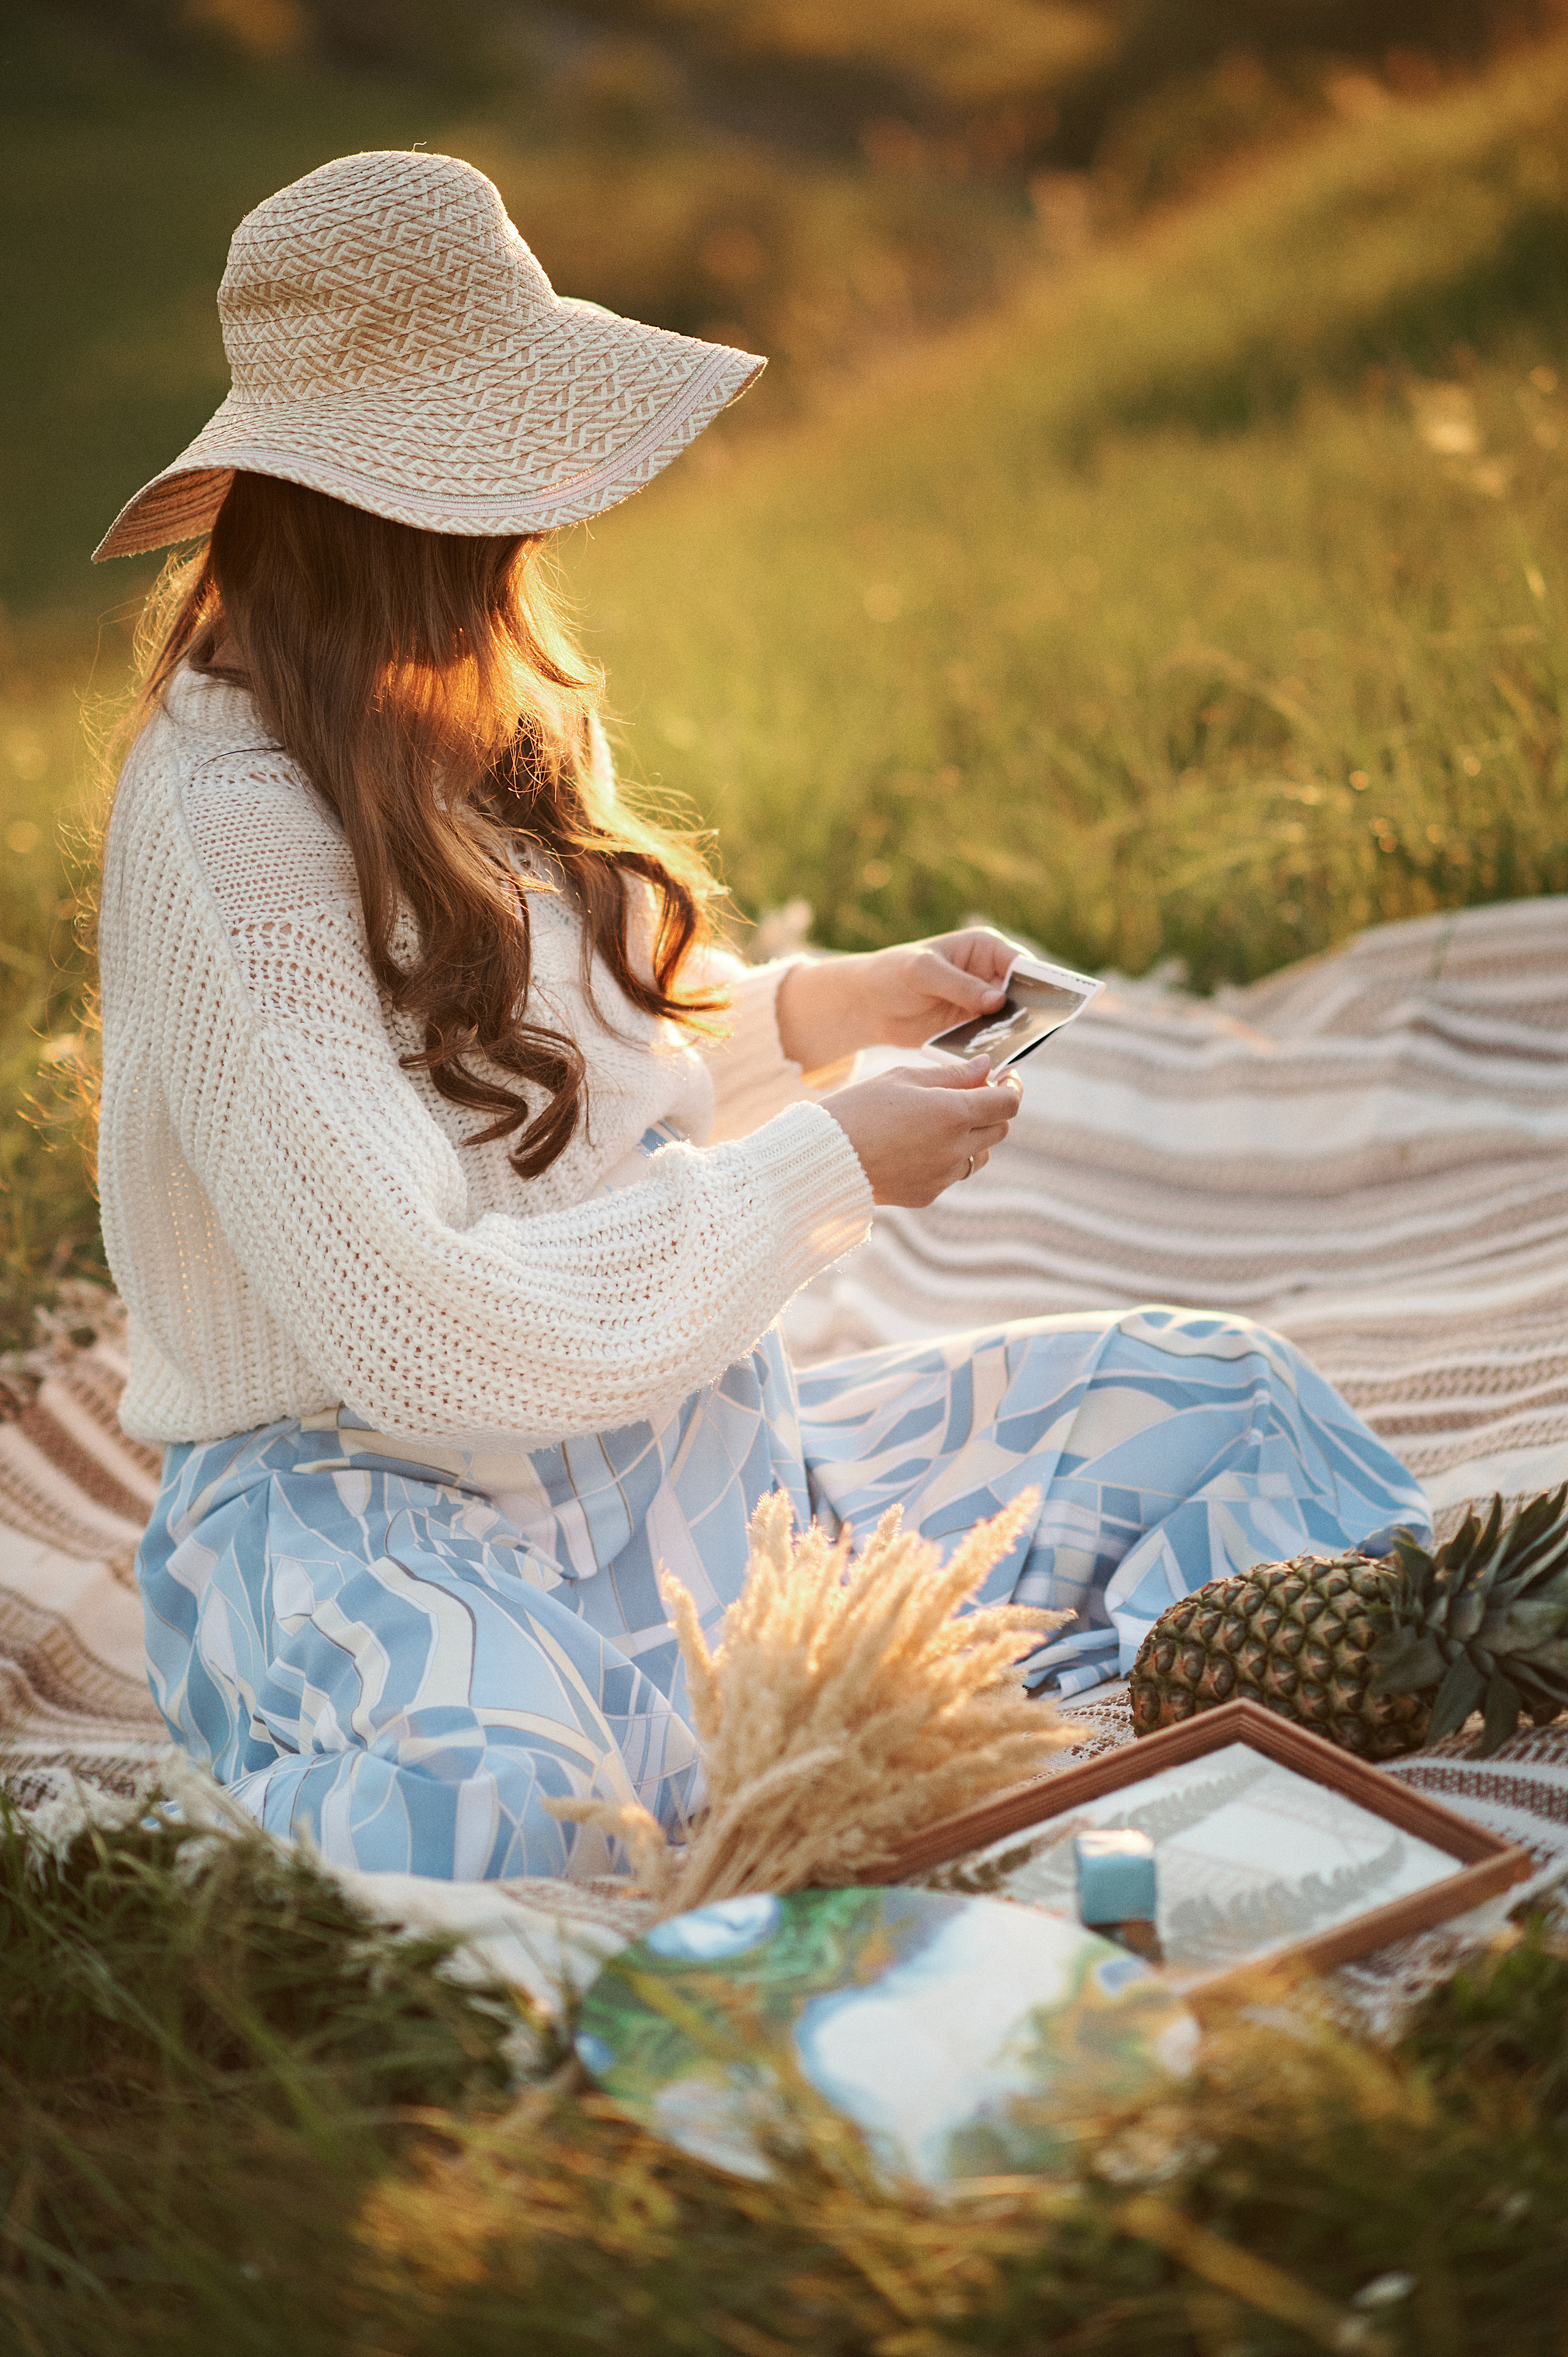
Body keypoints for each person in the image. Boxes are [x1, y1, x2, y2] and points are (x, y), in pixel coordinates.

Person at [94, 151, 1430, 1882]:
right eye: (510, 464)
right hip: (377, 1508)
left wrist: (816, 1013)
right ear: (397, 502)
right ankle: (805, 1784)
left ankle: (1148, 1793)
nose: (546, 515)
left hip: (689, 1461)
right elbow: (418, 1337)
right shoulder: (222, 825)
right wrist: (823, 1167)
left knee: (1237, 1409)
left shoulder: (464, 696)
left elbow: (537, 1075)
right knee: (520, 1807)